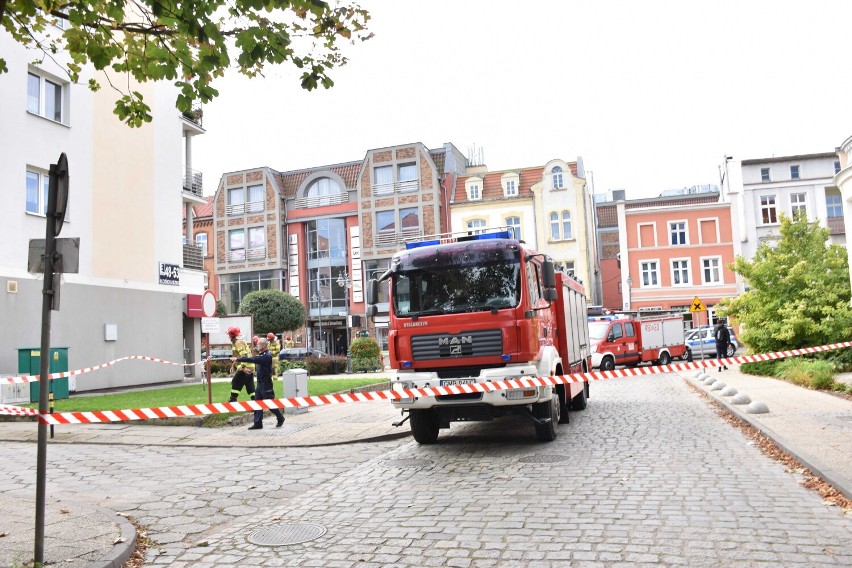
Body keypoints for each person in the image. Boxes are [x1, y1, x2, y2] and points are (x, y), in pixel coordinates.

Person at [232, 336, 285, 430]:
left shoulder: (266, 356)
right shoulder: (262, 354)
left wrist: (238, 359)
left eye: (258, 344)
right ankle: (258, 423)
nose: (257, 346)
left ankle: (280, 418)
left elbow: (253, 359)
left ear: (263, 345)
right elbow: (255, 358)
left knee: (269, 404)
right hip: (260, 383)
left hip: (266, 384)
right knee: (257, 403)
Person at [226, 327, 255, 402]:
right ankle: (255, 401)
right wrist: (233, 366)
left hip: (245, 366)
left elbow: (243, 355)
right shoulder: (238, 342)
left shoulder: (238, 342)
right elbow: (238, 356)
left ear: (232, 335)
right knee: (249, 385)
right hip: (249, 365)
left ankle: (233, 399)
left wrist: (243, 367)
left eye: (229, 335)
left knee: (235, 381)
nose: (228, 336)